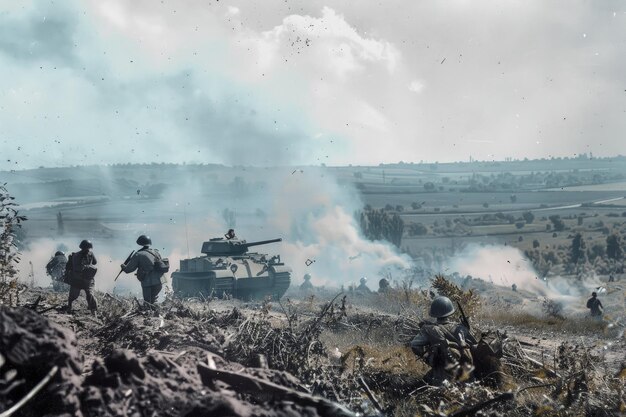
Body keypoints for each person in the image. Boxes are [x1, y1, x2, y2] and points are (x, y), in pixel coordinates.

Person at [411, 296, 475, 385]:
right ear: (450, 311)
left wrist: (427, 357)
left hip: (441, 376)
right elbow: (474, 345)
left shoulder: (429, 329)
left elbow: (414, 345)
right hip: (467, 374)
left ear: (433, 313)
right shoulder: (461, 328)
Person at [121, 235, 167, 306]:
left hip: (148, 283)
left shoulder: (138, 254)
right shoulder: (156, 252)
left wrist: (123, 266)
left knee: (147, 303)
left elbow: (128, 270)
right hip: (159, 282)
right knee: (152, 301)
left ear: (140, 243)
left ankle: (150, 315)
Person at [66, 240, 98, 314]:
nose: (87, 250)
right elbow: (76, 268)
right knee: (73, 295)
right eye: (85, 248)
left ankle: (94, 311)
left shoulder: (90, 254)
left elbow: (95, 262)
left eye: (88, 248)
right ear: (82, 248)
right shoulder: (76, 256)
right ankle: (69, 306)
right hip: (78, 279)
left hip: (88, 279)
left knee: (90, 295)